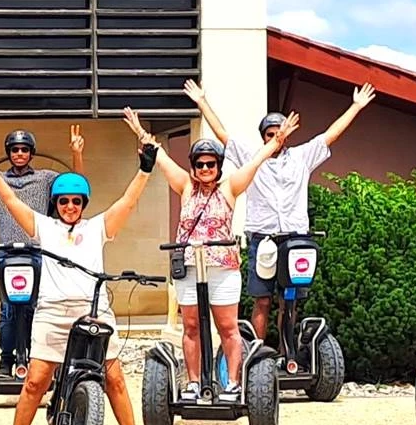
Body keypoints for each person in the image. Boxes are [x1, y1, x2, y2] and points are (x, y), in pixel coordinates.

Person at [0, 125, 155, 425]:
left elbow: (128, 201)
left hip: (95, 311)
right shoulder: (44, 227)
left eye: (75, 201)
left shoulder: (97, 227)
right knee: (35, 381)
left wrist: (145, 169)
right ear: (55, 204)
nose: (70, 206)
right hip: (53, 314)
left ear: (83, 204)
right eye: (63, 201)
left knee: (115, 377)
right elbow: (11, 201)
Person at [122, 107, 299, 402]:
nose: (205, 169)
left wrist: (277, 140)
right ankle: (193, 383)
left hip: (222, 269)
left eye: (211, 164)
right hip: (190, 267)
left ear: (218, 166)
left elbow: (256, 161)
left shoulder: (229, 188)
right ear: (193, 166)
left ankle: (231, 384)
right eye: (200, 164)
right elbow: (160, 155)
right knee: (190, 326)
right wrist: (140, 131)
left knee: (228, 327)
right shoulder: (185, 187)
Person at [184, 79, 376, 342]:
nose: (276, 138)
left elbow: (330, 135)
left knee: (290, 300)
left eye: (280, 133)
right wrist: (202, 101)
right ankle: (256, 353)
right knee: (262, 300)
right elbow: (222, 134)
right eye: (270, 134)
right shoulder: (253, 157)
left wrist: (355, 107)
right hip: (262, 237)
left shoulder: (301, 156)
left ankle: (288, 354)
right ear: (263, 136)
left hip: (296, 237)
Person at [0, 124, 85, 379]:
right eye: (14, 150)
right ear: (9, 153)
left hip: (37, 252)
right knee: (8, 309)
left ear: (31, 153)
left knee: (36, 305)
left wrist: (77, 153)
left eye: (24, 149)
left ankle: (37, 356)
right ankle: (6, 359)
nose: (19, 153)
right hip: (6, 253)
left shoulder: (45, 178)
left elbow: (75, 185)